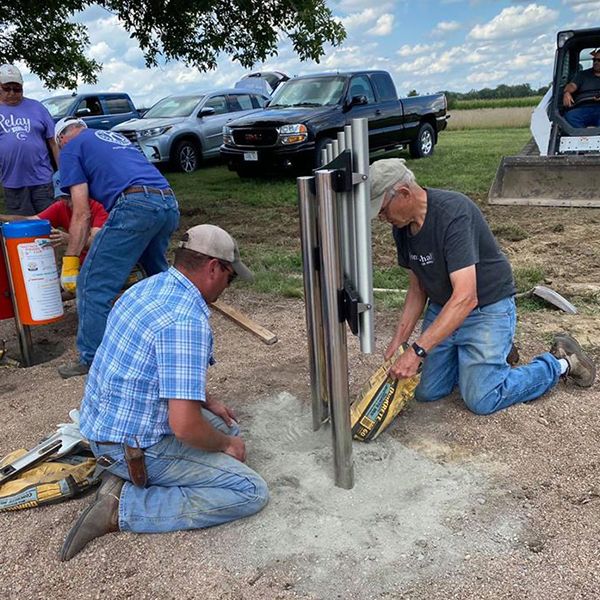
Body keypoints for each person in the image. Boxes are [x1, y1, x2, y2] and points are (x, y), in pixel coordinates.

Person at [60, 224, 268, 561]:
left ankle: (125, 475)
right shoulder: (185, 319)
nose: (227, 288)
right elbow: (184, 427)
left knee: (227, 426)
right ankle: (124, 506)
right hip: (132, 445)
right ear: (214, 268)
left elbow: (150, 370)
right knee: (249, 490)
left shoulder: (149, 289)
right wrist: (226, 445)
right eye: (230, 278)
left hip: (108, 428)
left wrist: (207, 401)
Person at [370, 158, 596, 416]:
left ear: (404, 193)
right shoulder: (401, 227)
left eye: (383, 209)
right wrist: (399, 343)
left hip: (486, 308)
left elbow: (466, 297)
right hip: (445, 308)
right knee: (426, 391)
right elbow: (417, 289)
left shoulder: (453, 213)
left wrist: (418, 350)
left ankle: (562, 363)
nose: (381, 217)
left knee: (482, 398)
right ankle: (487, 356)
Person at [54, 116, 180, 379]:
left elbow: (81, 213)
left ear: (61, 138)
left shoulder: (71, 148)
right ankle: (175, 337)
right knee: (157, 276)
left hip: (135, 206)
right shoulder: (113, 138)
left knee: (93, 283)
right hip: (168, 202)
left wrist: (70, 261)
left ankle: (93, 358)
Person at [0, 172, 108, 262]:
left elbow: (99, 243)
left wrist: (69, 239)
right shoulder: (61, 206)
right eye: (63, 197)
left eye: (70, 196)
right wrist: (2, 217)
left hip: (102, 261)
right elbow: (30, 220)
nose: (68, 202)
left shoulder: (99, 207)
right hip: (77, 262)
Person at [0, 64, 58, 215]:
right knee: (21, 227)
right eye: (7, 88)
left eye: (17, 89)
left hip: (42, 180)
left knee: (48, 224)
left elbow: (54, 143)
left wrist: (62, 174)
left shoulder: (37, 107)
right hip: (12, 182)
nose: (12, 93)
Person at [563, 49, 600, 128]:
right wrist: (566, 92)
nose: (596, 62)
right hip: (583, 108)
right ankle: (583, 138)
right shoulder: (583, 75)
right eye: (594, 60)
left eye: (599, 60)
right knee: (570, 116)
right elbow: (572, 86)